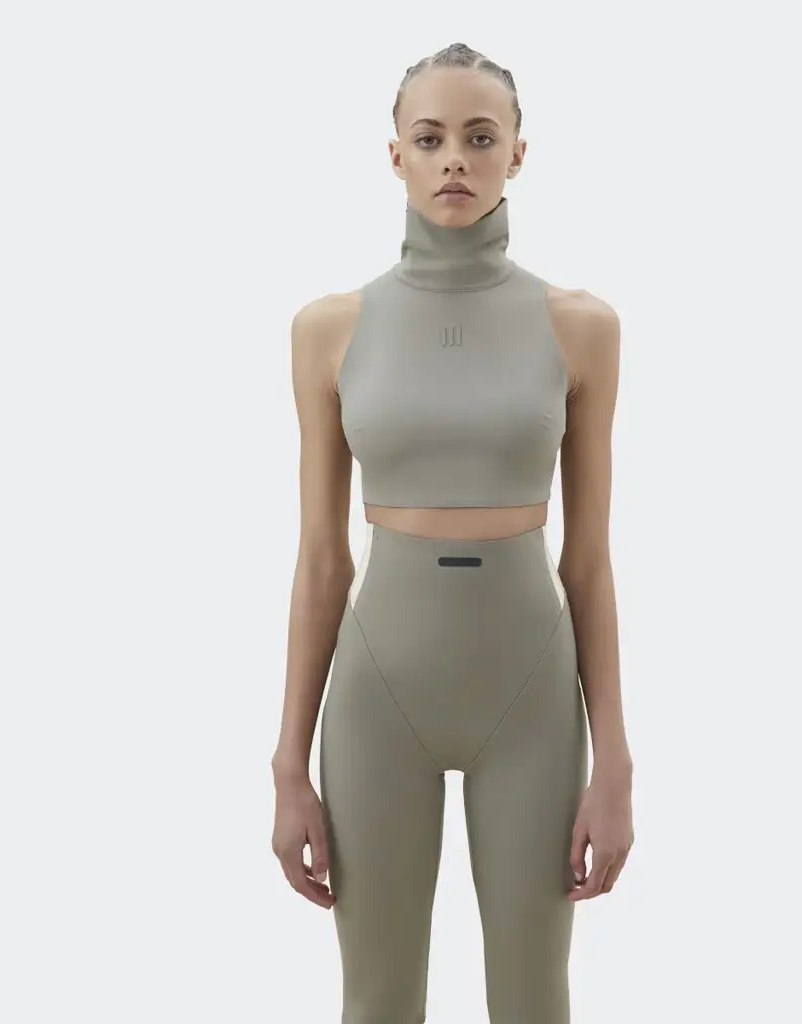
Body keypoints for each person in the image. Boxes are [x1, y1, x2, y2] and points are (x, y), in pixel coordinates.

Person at [271, 41, 635, 1024]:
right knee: (377, 1002)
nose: (454, 162)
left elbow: (589, 561)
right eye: (429, 139)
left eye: (480, 138)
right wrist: (287, 763)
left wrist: (615, 760)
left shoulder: (581, 326)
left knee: (533, 1001)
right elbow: (321, 562)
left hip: (531, 698)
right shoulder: (328, 329)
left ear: (519, 153)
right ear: (395, 155)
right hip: (376, 700)